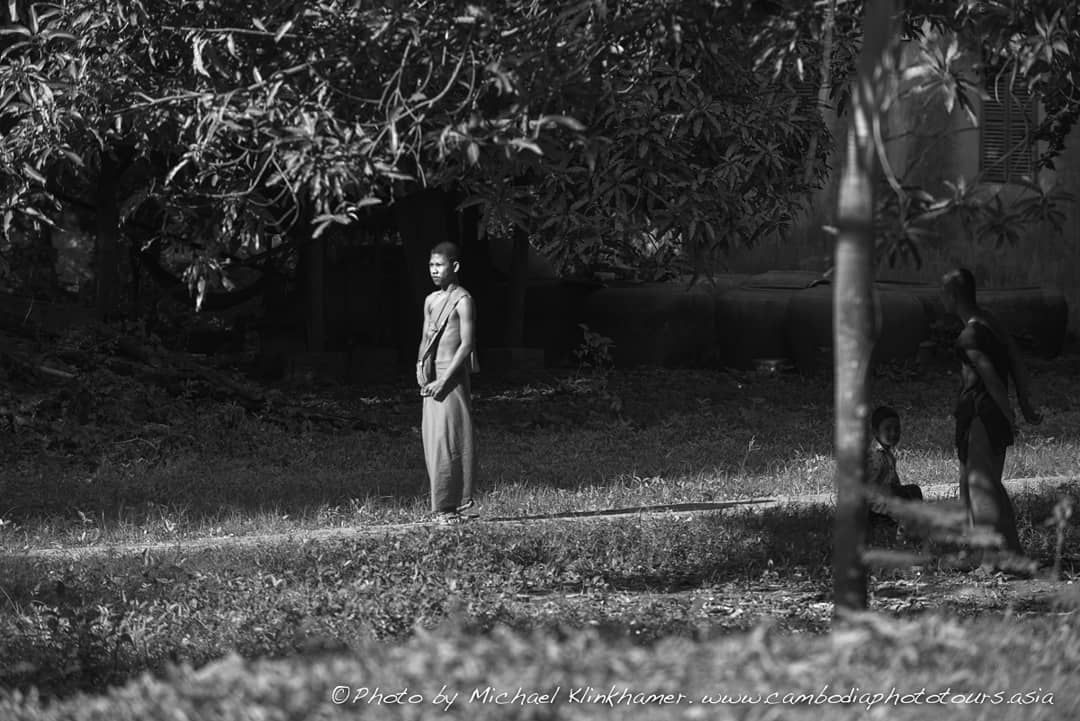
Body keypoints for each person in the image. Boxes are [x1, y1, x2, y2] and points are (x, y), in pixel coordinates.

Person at [942, 268, 1042, 554]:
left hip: (982, 415)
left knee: (981, 486)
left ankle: (991, 560)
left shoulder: (969, 336)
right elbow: (1015, 360)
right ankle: (999, 553)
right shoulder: (991, 322)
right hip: (980, 414)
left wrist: (1010, 413)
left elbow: (991, 378)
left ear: (952, 296)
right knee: (978, 485)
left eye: (943, 292)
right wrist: (1024, 402)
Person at [416, 242, 478, 524]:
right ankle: (441, 508)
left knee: (450, 441)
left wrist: (443, 380)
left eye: (439, 265)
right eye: (431, 266)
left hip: (451, 378)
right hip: (432, 379)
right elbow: (425, 339)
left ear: (455, 267)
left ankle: (449, 508)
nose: (434, 271)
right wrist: (421, 369)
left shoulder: (463, 300)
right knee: (432, 442)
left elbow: (466, 345)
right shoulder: (430, 300)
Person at [866, 405, 923, 524]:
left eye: (897, 429)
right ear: (875, 431)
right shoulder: (875, 456)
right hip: (876, 509)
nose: (893, 433)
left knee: (913, 491)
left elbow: (894, 482)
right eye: (887, 429)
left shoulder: (887, 454)